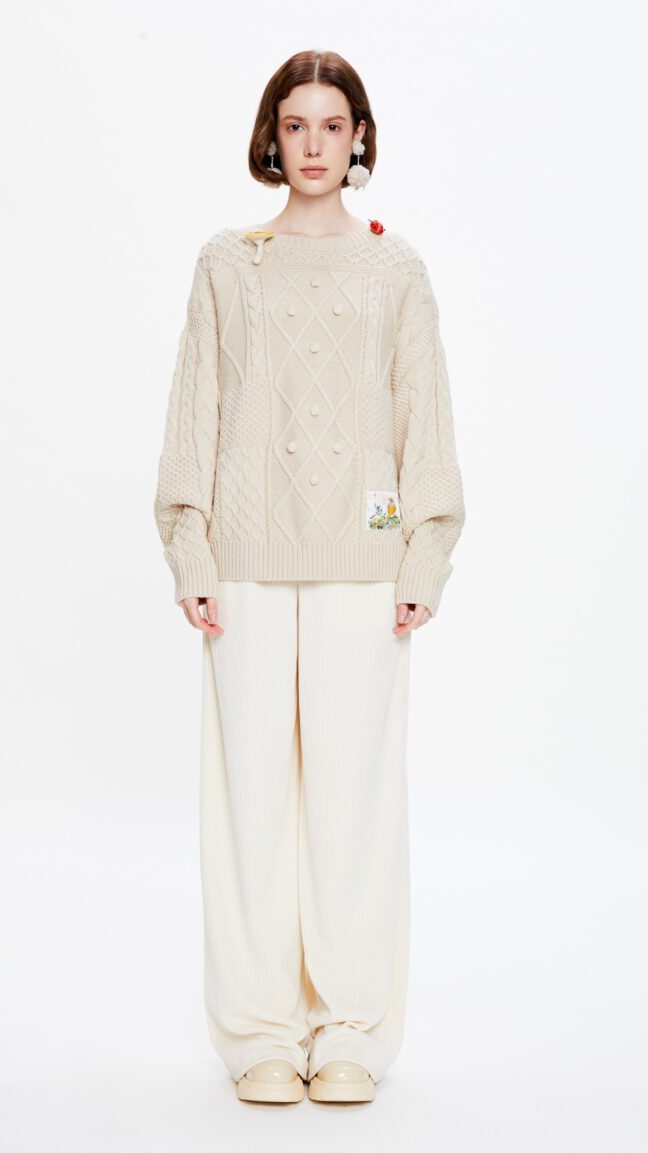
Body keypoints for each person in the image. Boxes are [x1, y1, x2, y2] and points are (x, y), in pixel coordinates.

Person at [153, 49, 466, 1105]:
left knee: (354, 803)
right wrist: (190, 545)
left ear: (361, 136)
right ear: (271, 137)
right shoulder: (227, 264)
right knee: (249, 802)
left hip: (365, 565)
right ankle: (258, 1034)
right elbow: (195, 406)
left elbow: (424, 412)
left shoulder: (395, 269)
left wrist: (423, 553)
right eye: (297, 125)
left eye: (334, 125)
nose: (316, 144)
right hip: (244, 564)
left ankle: (351, 1030)